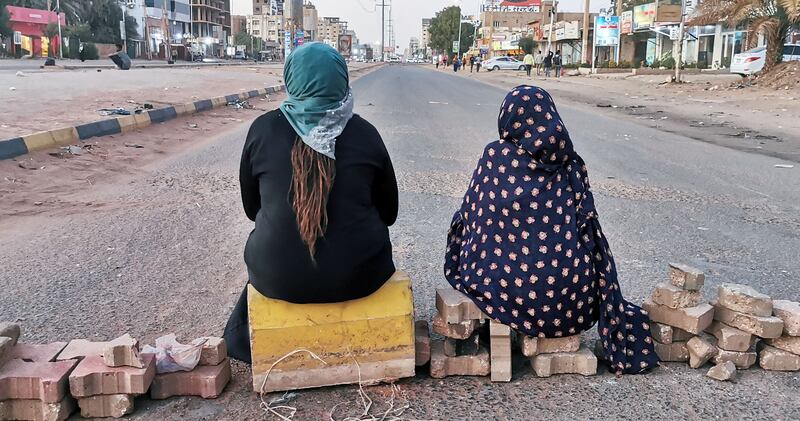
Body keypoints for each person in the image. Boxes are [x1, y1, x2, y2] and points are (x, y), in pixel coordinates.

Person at [444, 85, 659, 375]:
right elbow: (590, 233)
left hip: (507, 291)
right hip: (571, 303)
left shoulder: (496, 156)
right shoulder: (571, 162)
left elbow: (470, 217)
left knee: (471, 234)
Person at [224, 43, 399, 363]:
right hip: (361, 278)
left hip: (277, 279)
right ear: (342, 81)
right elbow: (390, 213)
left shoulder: (262, 129)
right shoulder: (365, 133)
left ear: (291, 80)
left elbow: (252, 210)